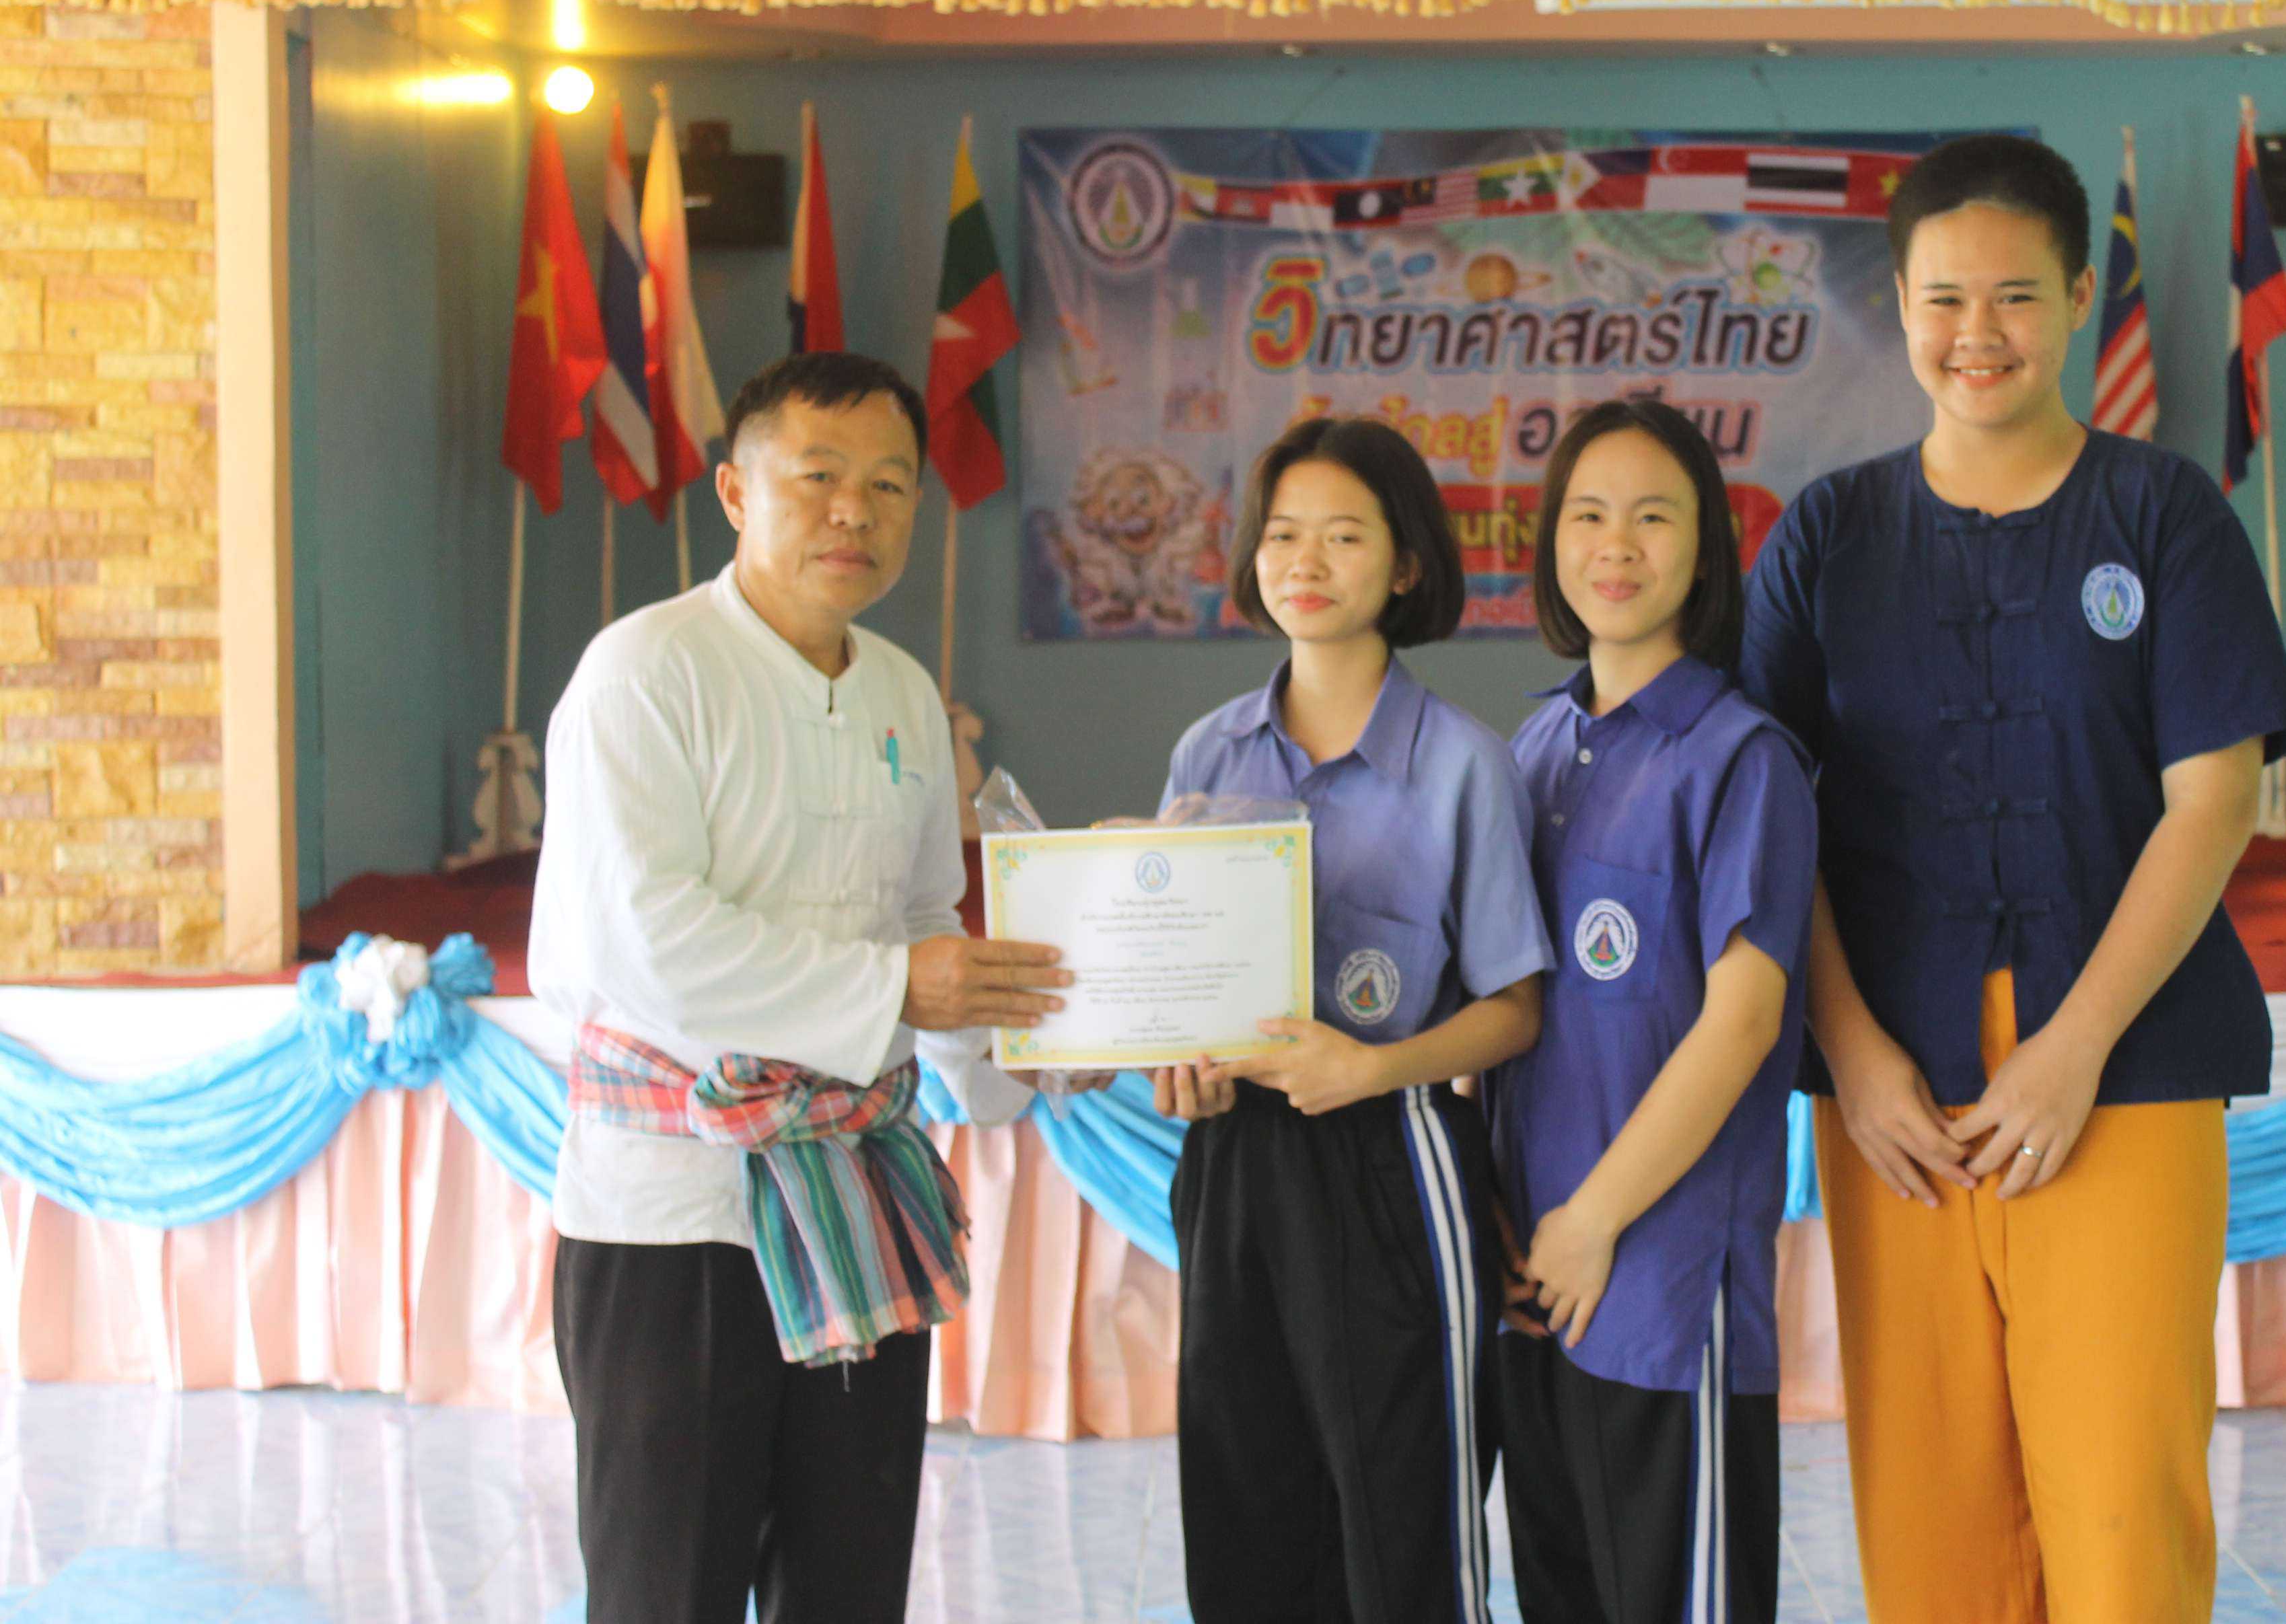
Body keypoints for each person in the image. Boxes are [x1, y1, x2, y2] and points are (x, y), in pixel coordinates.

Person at [1739, 135, 2286, 1624]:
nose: (1975, 333)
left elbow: (2215, 798)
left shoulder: (2164, 515)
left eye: (2014, 296)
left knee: (2120, 1502)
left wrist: (2075, 1046)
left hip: (2126, 1066)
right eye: (1943, 298)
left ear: (2076, 298)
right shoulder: (1826, 537)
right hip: (1894, 1101)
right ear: (1899, 304)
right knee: (1932, 1515)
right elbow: (1768, 823)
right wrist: (1853, 1054)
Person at [532, 350, 1076, 1624]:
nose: (854, 513)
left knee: (849, 1584)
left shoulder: (901, 691)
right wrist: (900, 988)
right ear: (735, 491)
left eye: (888, 485)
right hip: (679, 1219)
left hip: (858, 1202)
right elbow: (648, 942)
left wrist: (1028, 1058)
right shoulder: (645, 670)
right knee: (666, 1590)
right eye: (817, 477)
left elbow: (927, 921)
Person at [1149, 414, 1553, 1624]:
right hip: (1233, 1167)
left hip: (1395, 1158)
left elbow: (1517, 1012)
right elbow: (1175, 980)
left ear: (1407, 564)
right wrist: (1177, 1063)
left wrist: (1373, 1071)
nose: (1305, 562)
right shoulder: (1209, 751)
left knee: (1402, 1526)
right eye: (1282, 535)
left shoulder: (1464, 764)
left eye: (1343, 535)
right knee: (1244, 1506)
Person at [1491, 399, 1816, 1624]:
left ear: (1706, 548)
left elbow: (1742, 1025)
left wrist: (1592, 1222)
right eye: (1586, 515)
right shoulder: (1533, 748)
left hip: (1665, 1297)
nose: (1614, 546)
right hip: (1532, 1289)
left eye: (1652, 517)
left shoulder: (1742, 760)